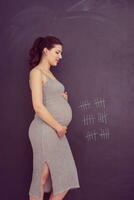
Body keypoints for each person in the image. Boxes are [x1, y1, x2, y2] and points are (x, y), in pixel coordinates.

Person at [28, 35, 80, 200]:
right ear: (45, 51)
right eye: (57, 52)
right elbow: (37, 105)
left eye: (61, 53)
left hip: (56, 131)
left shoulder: (50, 74)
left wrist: (62, 100)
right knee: (41, 178)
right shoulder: (36, 72)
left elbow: (49, 98)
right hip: (44, 129)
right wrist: (58, 127)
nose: (60, 56)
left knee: (65, 175)